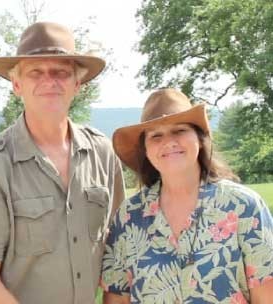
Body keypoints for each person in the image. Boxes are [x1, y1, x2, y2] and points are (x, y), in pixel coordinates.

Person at [0, 21, 125, 304]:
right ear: (17, 85)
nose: (49, 80)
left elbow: (119, 252)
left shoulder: (102, 153)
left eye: (60, 72)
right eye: (35, 72)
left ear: (77, 85)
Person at [101, 88, 273, 303]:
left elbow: (266, 295)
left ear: (200, 139)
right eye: (156, 135)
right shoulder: (129, 216)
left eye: (179, 130)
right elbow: (117, 296)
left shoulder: (243, 207)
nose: (169, 142)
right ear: (145, 149)